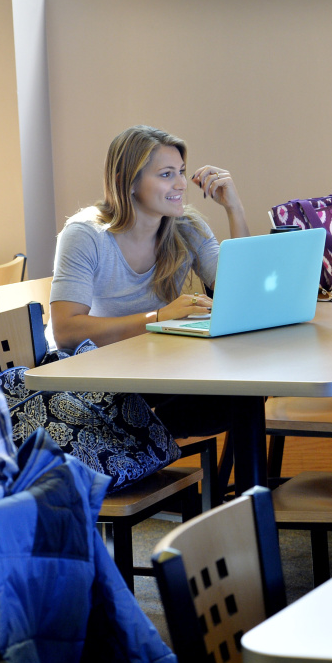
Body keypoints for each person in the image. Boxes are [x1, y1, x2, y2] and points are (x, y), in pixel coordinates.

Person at [50, 125, 251, 437]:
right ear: (130, 182)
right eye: (167, 174)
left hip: (157, 371)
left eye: (182, 172)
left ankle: (153, 447)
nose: (182, 184)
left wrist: (234, 208)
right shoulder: (85, 234)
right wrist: (157, 319)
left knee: (244, 390)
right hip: (99, 383)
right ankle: (147, 447)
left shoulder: (186, 226)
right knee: (234, 395)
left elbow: (243, 295)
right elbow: (65, 331)